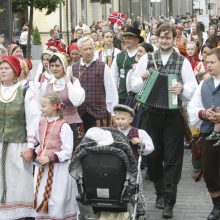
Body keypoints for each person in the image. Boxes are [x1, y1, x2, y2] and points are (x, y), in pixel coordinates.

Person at [131, 23, 198, 218]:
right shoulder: (147, 58)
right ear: (157, 38)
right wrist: (142, 79)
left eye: (168, 38)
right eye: (161, 37)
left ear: (174, 39)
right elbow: (133, 86)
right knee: (153, 157)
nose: (164, 41)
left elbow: (192, 88)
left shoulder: (182, 61)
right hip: (150, 115)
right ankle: (159, 192)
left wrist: (181, 90)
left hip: (172, 116)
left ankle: (169, 200)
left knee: (173, 159)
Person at [0, 56, 40, 219]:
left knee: (20, 182)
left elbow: (33, 120)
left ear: (16, 72)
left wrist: (30, 147)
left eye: (6, 68)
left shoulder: (25, 91)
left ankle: (20, 215)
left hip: (19, 146)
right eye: (1, 68)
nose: (2, 71)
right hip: (0, 145)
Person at [33, 92, 78, 219]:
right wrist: (39, 154)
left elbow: (68, 152)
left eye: (44, 106)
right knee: (41, 195)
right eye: (41, 105)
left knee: (56, 198)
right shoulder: (41, 122)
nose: (41, 108)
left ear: (54, 106)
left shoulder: (64, 126)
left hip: (58, 170)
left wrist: (50, 157)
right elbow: (40, 143)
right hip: (42, 168)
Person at [187, 48, 220, 220]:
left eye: (212, 62)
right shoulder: (204, 84)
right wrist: (204, 114)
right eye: (207, 62)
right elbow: (193, 107)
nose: (208, 65)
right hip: (208, 134)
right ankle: (217, 206)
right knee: (210, 173)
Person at [113, 104, 154, 217]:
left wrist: (140, 144)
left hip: (133, 167)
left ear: (131, 119)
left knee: (135, 190)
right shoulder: (112, 132)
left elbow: (150, 147)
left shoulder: (139, 133)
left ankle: (140, 210)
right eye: (117, 119)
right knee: (117, 189)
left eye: (123, 119)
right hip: (115, 167)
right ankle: (119, 209)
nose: (120, 121)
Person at [72, 37, 118, 131]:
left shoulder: (102, 66)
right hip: (79, 114)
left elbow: (111, 90)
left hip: (98, 114)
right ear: (80, 52)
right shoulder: (73, 68)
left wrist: (113, 112)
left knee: (98, 143)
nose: (88, 52)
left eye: (90, 48)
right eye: (85, 49)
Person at [41, 52, 85, 148]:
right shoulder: (48, 84)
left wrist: (68, 81)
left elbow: (77, 101)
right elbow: (42, 104)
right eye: (52, 65)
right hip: (54, 125)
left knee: (72, 152)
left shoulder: (74, 81)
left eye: (57, 65)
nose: (54, 68)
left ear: (64, 66)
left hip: (72, 124)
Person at [111, 26, 144, 104]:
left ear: (137, 40)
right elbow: (114, 78)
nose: (126, 40)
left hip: (138, 98)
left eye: (129, 38)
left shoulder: (143, 56)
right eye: (125, 38)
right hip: (121, 97)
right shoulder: (119, 56)